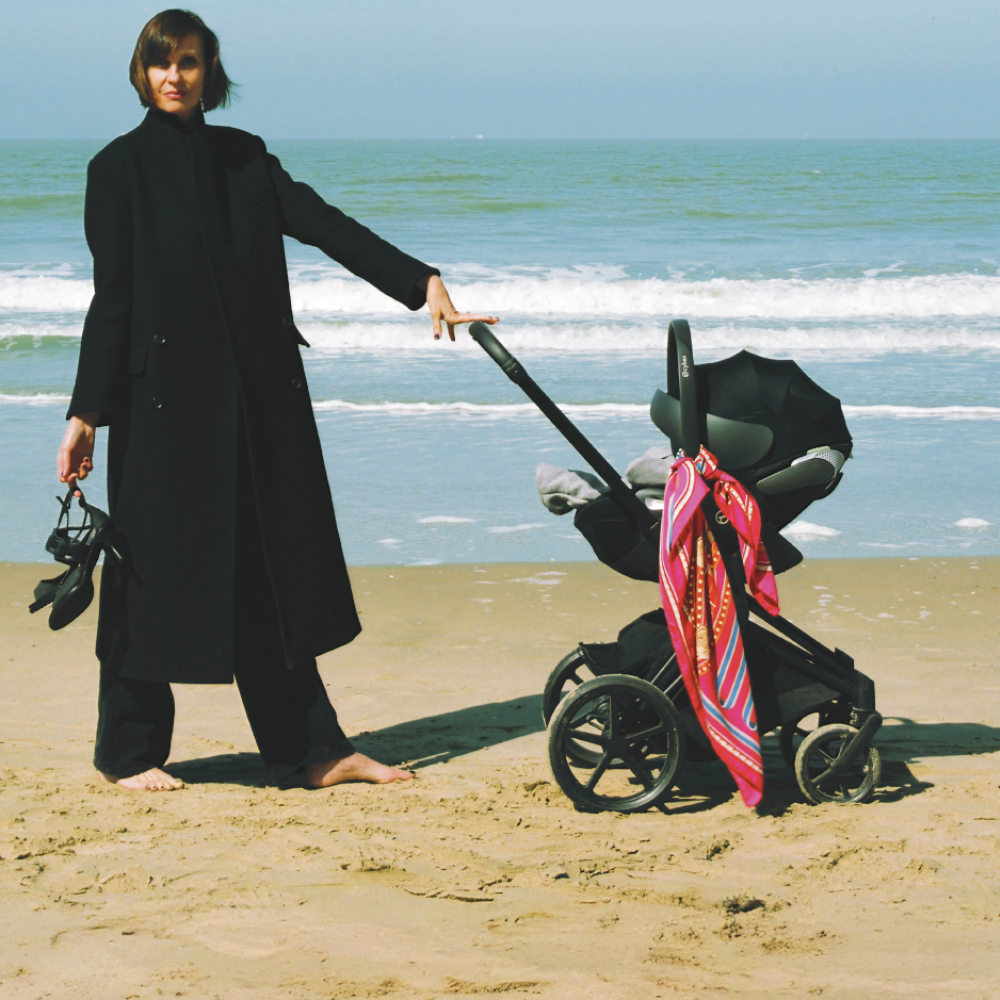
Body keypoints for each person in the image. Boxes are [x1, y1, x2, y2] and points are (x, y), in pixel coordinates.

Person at [57, 9, 498, 792]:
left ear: (210, 73)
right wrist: (86, 413)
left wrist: (419, 280)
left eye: (189, 62)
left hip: (255, 404)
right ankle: (128, 752)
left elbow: (323, 225)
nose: (173, 76)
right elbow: (112, 299)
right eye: (161, 62)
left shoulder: (245, 158)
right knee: (145, 573)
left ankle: (312, 750)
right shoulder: (117, 168)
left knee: (267, 568)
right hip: (160, 409)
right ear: (141, 72)